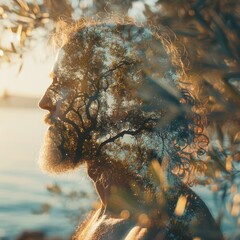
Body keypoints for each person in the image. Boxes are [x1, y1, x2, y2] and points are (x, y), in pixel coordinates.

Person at [39, 19, 223, 240]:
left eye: (64, 84)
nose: (45, 101)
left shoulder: (165, 228)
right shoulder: (108, 213)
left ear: (117, 100)